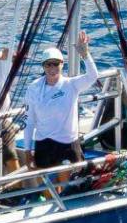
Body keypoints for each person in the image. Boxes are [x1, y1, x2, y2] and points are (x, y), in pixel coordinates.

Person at [18, 32, 98, 182]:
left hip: (68, 143)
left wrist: (85, 55)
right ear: (43, 66)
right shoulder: (33, 88)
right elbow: (29, 122)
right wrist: (28, 150)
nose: (52, 67)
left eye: (56, 63)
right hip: (44, 143)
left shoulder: (71, 85)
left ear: (62, 64)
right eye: (48, 64)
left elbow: (93, 76)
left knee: (67, 184)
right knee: (45, 186)